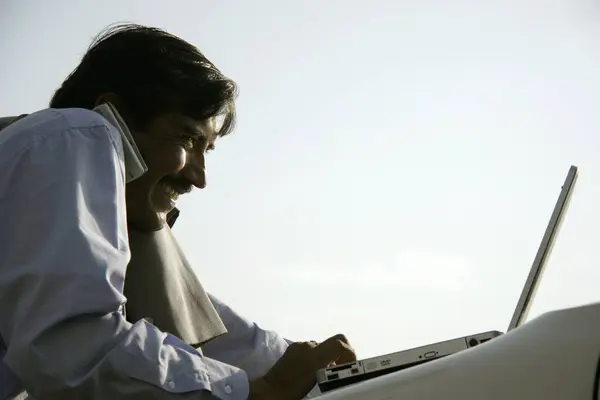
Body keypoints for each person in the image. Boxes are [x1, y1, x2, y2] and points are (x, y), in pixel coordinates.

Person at [0, 24, 356, 399]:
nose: (199, 178)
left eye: (207, 150)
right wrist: (260, 392)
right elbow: (73, 350)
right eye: (187, 138)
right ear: (114, 117)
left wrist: (304, 363)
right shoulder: (73, 133)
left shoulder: (93, 217)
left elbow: (214, 332)